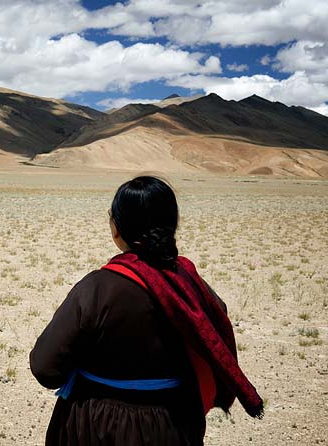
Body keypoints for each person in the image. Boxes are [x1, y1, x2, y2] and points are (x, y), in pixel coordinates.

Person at [30, 175, 263, 446]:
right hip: (172, 426)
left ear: (116, 227)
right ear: (171, 225)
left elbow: (45, 367)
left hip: (97, 427)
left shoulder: (97, 288)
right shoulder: (190, 284)